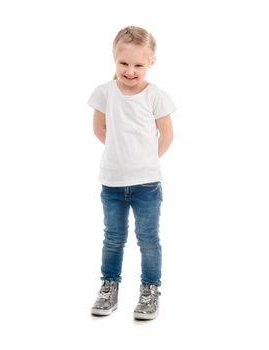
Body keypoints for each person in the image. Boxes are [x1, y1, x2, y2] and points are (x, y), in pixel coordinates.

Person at [88, 26, 176, 320]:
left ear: (151, 62)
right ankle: (109, 285)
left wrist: (144, 159)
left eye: (138, 64)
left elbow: (166, 136)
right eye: (124, 63)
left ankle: (150, 290)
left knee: (148, 238)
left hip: (147, 184)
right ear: (114, 59)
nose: (130, 70)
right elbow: (100, 130)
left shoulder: (156, 96)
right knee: (113, 237)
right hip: (112, 182)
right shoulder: (104, 93)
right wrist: (120, 154)